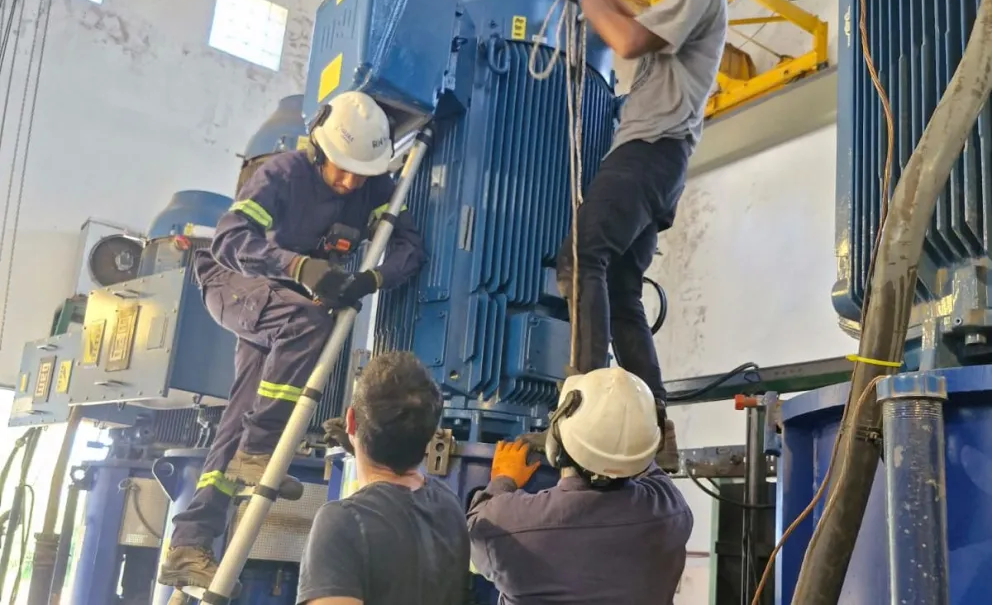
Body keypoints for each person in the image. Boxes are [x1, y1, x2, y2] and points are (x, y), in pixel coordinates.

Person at [158, 90, 428, 591]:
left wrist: (371, 281)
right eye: (341, 168)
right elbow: (230, 239)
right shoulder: (283, 173)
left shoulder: (371, 188)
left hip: (280, 297)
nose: (349, 182)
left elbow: (410, 249)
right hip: (231, 279)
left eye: (360, 173)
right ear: (319, 148)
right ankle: (258, 452)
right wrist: (299, 266)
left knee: (239, 418)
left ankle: (187, 545)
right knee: (307, 324)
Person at [549, 0, 728, 471]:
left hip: (648, 153)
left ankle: (579, 392)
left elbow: (624, 40)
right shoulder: (681, 3)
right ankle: (657, 423)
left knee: (582, 256)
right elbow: (629, 20)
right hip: (659, 164)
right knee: (622, 291)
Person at [467, 368, 693, 605]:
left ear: (557, 440)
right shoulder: (671, 511)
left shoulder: (505, 524)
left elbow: (472, 535)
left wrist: (503, 479)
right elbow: (648, 470)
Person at [297, 351, 470, 605]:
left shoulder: (343, 522)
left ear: (350, 420)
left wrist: (360, 444)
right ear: (431, 431)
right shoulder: (449, 506)